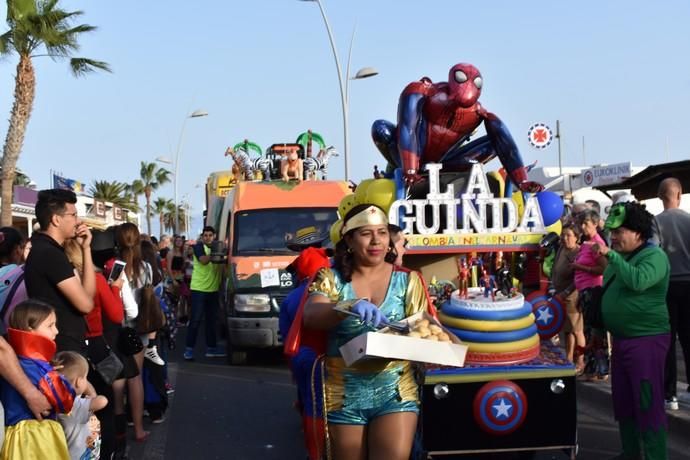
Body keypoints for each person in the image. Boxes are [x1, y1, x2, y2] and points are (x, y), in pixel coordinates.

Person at [303, 204, 436, 459]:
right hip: (344, 392)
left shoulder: (408, 280)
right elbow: (312, 316)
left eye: (383, 232)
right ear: (349, 240)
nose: (376, 240)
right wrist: (348, 305)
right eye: (366, 233)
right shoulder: (331, 278)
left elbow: (424, 332)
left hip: (396, 390)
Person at [593, 202, 670, 460]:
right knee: (624, 404)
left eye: (619, 231)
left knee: (648, 405)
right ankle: (631, 453)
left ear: (638, 232)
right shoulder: (621, 257)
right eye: (612, 232)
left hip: (646, 341)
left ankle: (655, 455)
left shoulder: (655, 256)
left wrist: (611, 256)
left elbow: (638, 281)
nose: (613, 237)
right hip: (623, 341)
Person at [64, 238, 124, 459]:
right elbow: (116, 315)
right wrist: (115, 289)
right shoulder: (95, 280)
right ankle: (107, 451)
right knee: (103, 405)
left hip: (71, 347)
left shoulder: (60, 282)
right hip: (96, 345)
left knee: (72, 409)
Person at [0, 300, 75, 459]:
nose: (56, 331)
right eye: (50, 325)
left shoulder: (12, 364)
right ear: (29, 329)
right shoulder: (37, 367)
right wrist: (64, 380)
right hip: (36, 437)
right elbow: (64, 402)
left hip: (12, 435)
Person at [280, 227, 331, 460]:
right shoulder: (338, 291)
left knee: (311, 407)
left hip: (303, 359)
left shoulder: (291, 297)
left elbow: (285, 335)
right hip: (327, 358)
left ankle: (315, 453)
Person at [24, 189, 96, 353]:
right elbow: (85, 305)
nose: (78, 221)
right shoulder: (49, 254)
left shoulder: (48, 250)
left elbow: (87, 297)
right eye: (73, 215)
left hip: (62, 343)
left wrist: (86, 249)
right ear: (56, 219)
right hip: (63, 346)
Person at [653, 177, 690, 411]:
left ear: (660, 197)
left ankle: (670, 395)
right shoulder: (689, 220)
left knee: (667, 340)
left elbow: (654, 254)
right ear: (680, 194)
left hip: (666, 287)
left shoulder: (655, 222)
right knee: (689, 340)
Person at [573, 209, 609, 380]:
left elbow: (603, 268)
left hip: (593, 291)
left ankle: (597, 369)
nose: (582, 227)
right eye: (581, 224)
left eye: (586, 223)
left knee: (594, 331)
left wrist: (581, 268)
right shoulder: (586, 242)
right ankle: (594, 368)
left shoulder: (596, 243)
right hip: (585, 291)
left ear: (595, 224)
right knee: (590, 330)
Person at [54, 351, 108, 460]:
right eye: (86, 378)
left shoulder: (56, 403)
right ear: (79, 382)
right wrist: (86, 385)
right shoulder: (75, 405)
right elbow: (102, 401)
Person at [184, 226, 225, 360]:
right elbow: (203, 260)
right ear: (202, 237)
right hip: (199, 290)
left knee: (211, 321)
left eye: (210, 235)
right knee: (195, 321)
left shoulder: (218, 247)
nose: (207, 237)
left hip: (213, 290)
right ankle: (188, 350)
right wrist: (218, 252)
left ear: (214, 236)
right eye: (205, 235)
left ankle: (211, 349)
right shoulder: (198, 247)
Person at [550, 224, 584, 372]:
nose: (565, 238)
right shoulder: (562, 249)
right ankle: (569, 358)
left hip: (572, 296)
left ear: (577, 237)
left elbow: (578, 278)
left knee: (577, 330)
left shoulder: (579, 253)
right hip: (559, 293)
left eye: (569, 235)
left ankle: (580, 361)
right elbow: (555, 268)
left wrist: (565, 292)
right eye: (563, 235)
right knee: (567, 330)